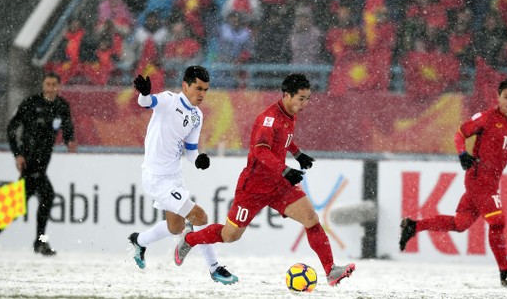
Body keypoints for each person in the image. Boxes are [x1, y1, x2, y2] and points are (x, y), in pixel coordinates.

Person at [172, 73, 356, 286]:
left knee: (311, 218)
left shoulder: (290, 113)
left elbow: (283, 138)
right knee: (230, 235)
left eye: (307, 98)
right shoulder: (268, 119)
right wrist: (286, 169)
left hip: (278, 185)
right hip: (254, 187)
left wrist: (297, 154)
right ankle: (189, 239)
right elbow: (260, 151)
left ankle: (331, 271)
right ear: (287, 95)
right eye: (301, 98)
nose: (305, 103)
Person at [399, 77, 507, 287]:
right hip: (479, 179)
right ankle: (505, 271)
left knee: (460, 224)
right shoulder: (486, 118)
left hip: (491, 181)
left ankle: (414, 226)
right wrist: (462, 154)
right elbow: (460, 134)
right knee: (498, 222)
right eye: (506, 97)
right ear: (498, 98)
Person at [127, 66, 239, 285]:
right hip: (156, 177)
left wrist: (198, 159)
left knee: (175, 227)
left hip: (174, 176)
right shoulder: (169, 100)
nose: (202, 94)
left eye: (205, 90)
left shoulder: (197, 116)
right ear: (185, 86)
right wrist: (144, 94)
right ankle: (215, 269)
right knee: (200, 217)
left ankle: (139, 241)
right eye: (198, 88)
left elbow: (190, 150)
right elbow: (146, 103)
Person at [0, 72, 77, 256]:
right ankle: (39, 242)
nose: (50, 88)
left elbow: (67, 127)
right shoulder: (31, 103)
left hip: (43, 162)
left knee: (20, 204)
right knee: (46, 197)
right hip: (30, 160)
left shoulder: (61, 106)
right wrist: (18, 154)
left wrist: (69, 140)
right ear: (43, 86)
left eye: (53, 85)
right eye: (47, 84)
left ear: (58, 87)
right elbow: (12, 128)